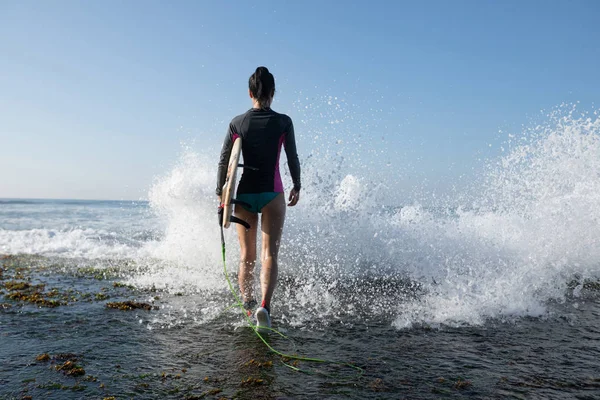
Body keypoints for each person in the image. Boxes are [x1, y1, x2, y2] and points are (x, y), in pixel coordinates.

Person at [216, 67, 301, 332]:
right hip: (272, 193)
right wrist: (297, 185)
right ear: (273, 93)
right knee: (269, 254)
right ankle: (265, 306)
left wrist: (221, 195)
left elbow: (224, 161)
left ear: (250, 92)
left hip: (243, 195)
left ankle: (248, 305)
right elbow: (291, 158)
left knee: (246, 255)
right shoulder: (283, 122)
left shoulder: (237, 122)